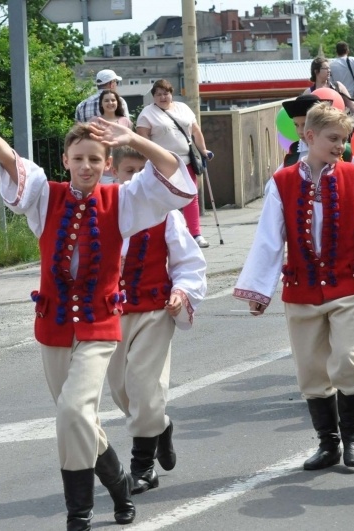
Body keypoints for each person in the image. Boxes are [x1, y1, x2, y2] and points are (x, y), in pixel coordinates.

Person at [0, 83, 196, 530]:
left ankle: (79, 513)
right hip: (53, 326)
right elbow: (6, 156)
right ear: (65, 161)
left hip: (99, 325)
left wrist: (131, 139)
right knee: (75, 418)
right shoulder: (44, 196)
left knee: (74, 412)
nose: (87, 166)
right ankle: (118, 482)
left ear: (107, 164)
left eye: (95, 159)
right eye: (79, 158)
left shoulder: (122, 201)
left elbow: (173, 170)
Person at [234, 103, 354, 472]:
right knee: (311, 369)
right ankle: (328, 443)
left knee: (347, 359)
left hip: (346, 286)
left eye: (344, 139)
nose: (340, 145)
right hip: (302, 289)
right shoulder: (282, 182)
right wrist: (259, 291)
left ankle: (352, 435)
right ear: (309, 136)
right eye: (333, 138)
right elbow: (269, 238)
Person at [105, 145, 207, 495]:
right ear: (114, 170)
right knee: (120, 388)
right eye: (128, 171)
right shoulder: (103, 209)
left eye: (141, 171)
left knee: (144, 385)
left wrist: (181, 292)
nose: (136, 178)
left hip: (154, 310)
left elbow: (187, 261)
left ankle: (143, 467)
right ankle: (160, 426)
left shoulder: (166, 213)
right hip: (112, 314)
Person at [136, 79, 212, 248]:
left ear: (171, 94)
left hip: (187, 160)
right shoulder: (147, 114)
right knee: (166, 198)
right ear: (153, 96)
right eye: (159, 94)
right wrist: (150, 158)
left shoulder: (183, 108)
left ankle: (196, 234)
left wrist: (203, 150)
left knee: (191, 196)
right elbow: (143, 138)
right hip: (163, 163)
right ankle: (170, 233)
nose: (163, 97)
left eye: (166, 93)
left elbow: (195, 131)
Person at [303, 57, 354, 125]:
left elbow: (352, 105)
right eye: (326, 68)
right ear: (316, 71)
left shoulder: (338, 86)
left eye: (329, 68)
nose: (329, 71)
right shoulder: (309, 92)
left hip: (339, 125)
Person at [99, 90, 133, 184]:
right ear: (101, 103)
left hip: (122, 168)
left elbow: (131, 144)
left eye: (113, 100)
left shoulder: (125, 121)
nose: (110, 103)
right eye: (106, 100)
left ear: (117, 102)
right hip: (104, 171)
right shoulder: (95, 121)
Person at [329, 42, 354, 112]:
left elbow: (331, 83)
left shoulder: (331, 65)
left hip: (340, 98)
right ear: (347, 50)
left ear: (336, 52)